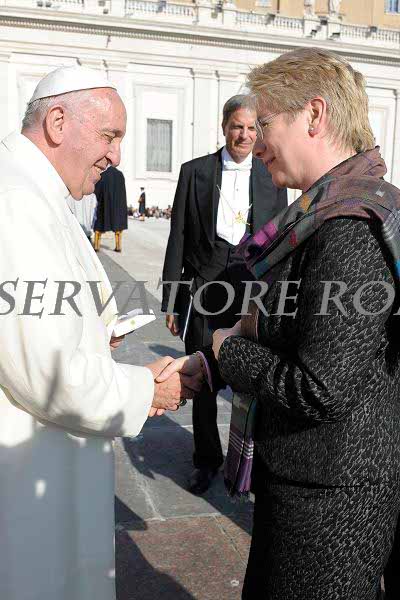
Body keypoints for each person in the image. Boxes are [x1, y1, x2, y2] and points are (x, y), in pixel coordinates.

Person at [158, 47, 400, 598]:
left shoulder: (349, 227)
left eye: (265, 123)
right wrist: (216, 357)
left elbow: (319, 385)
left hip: (332, 494)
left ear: (314, 114)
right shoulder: (320, 212)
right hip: (308, 477)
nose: (257, 141)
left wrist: (226, 349)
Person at [0, 65, 199, 600]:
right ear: (57, 122)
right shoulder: (17, 200)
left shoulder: (37, 189)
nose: (116, 156)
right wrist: (148, 390)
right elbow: (49, 374)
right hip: (28, 469)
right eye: (109, 136)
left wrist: (95, 328)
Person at [161, 94, 287, 495]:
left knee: (251, 377)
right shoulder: (194, 172)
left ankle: (249, 461)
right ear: (224, 127)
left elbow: (280, 240)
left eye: (251, 128)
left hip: (251, 292)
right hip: (204, 287)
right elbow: (178, 235)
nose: (244, 135)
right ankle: (206, 459)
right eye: (237, 126)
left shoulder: (271, 175)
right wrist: (172, 299)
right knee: (200, 375)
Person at [93, 165, 128, 252]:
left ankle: (96, 246)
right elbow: (123, 192)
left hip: (104, 205)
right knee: (118, 227)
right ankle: (118, 246)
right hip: (117, 206)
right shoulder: (120, 175)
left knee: (99, 225)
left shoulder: (103, 175)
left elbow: (97, 191)